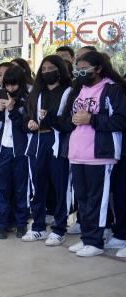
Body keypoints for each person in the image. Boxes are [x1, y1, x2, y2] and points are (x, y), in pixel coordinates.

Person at [63, 51, 126, 257]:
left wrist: (92, 119)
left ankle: (96, 241)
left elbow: (120, 120)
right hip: (77, 152)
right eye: (77, 69)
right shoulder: (80, 90)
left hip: (100, 154)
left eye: (84, 69)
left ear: (98, 69)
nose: (80, 72)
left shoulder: (112, 89)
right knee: (83, 200)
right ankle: (86, 237)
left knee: (97, 201)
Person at [23, 55, 73, 246]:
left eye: (51, 68)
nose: (46, 72)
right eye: (43, 69)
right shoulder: (37, 93)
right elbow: (26, 117)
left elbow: (69, 124)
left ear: (60, 70)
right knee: (37, 186)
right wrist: (29, 122)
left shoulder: (69, 92)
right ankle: (38, 227)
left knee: (60, 186)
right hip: (37, 141)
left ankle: (60, 228)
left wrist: (50, 118)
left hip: (58, 141)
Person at [0, 66, 31, 239]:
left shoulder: (28, 99)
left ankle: (21, 224)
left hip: (21, 150)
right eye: (7, 85)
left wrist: (13, 109)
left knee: (21, 189)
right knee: (2, 189)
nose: (10, 89)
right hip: (1, 151)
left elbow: (24, 126)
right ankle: (2, 225)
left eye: (14, 85)